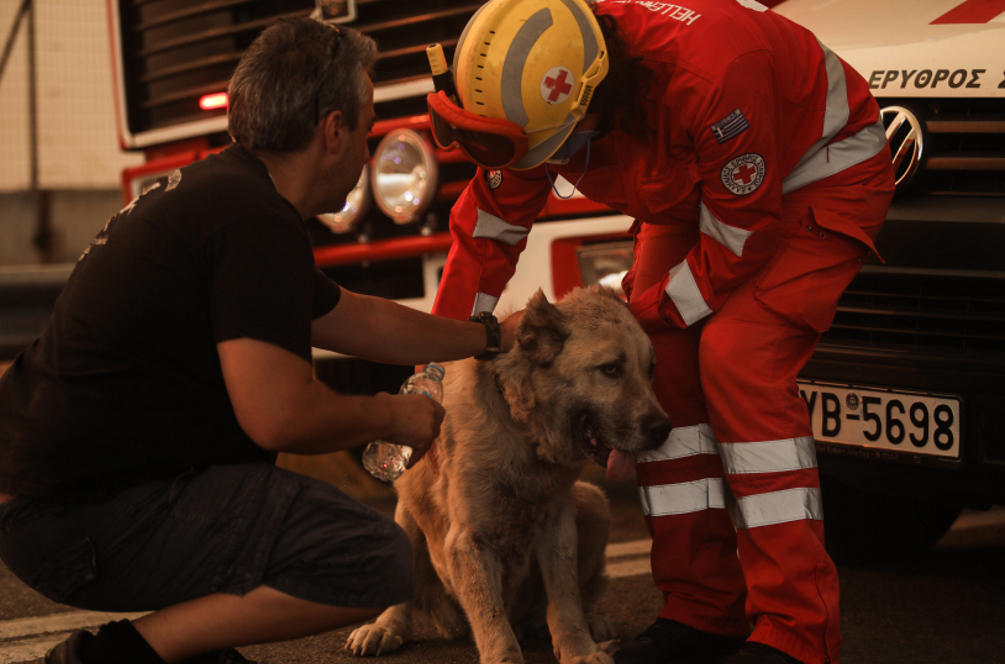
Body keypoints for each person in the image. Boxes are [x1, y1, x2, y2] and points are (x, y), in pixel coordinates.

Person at [0, 16, 516, 664]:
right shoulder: (252, 221)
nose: (366, 150)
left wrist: (487, 335)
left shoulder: (220, 194)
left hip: (53, 501)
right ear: (332, 131)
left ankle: (193, 653)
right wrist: (393, 414)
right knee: (372, 557)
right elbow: (279, 415)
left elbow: (357, 319)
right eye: (365, 127)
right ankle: (115, 659)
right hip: (74, 519)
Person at [424, 1, 896, 663]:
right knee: (661, 370)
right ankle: (702, 610)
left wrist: (631, 319)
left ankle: (796, 631)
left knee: (738, 361)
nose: (546, 164)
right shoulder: (532, 94)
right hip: (700, 191)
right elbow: (486, 233)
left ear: (594, 100)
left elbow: (738, 239)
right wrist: (431, 367)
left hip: (813, 176)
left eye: (553, 148)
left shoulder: (716, 75)